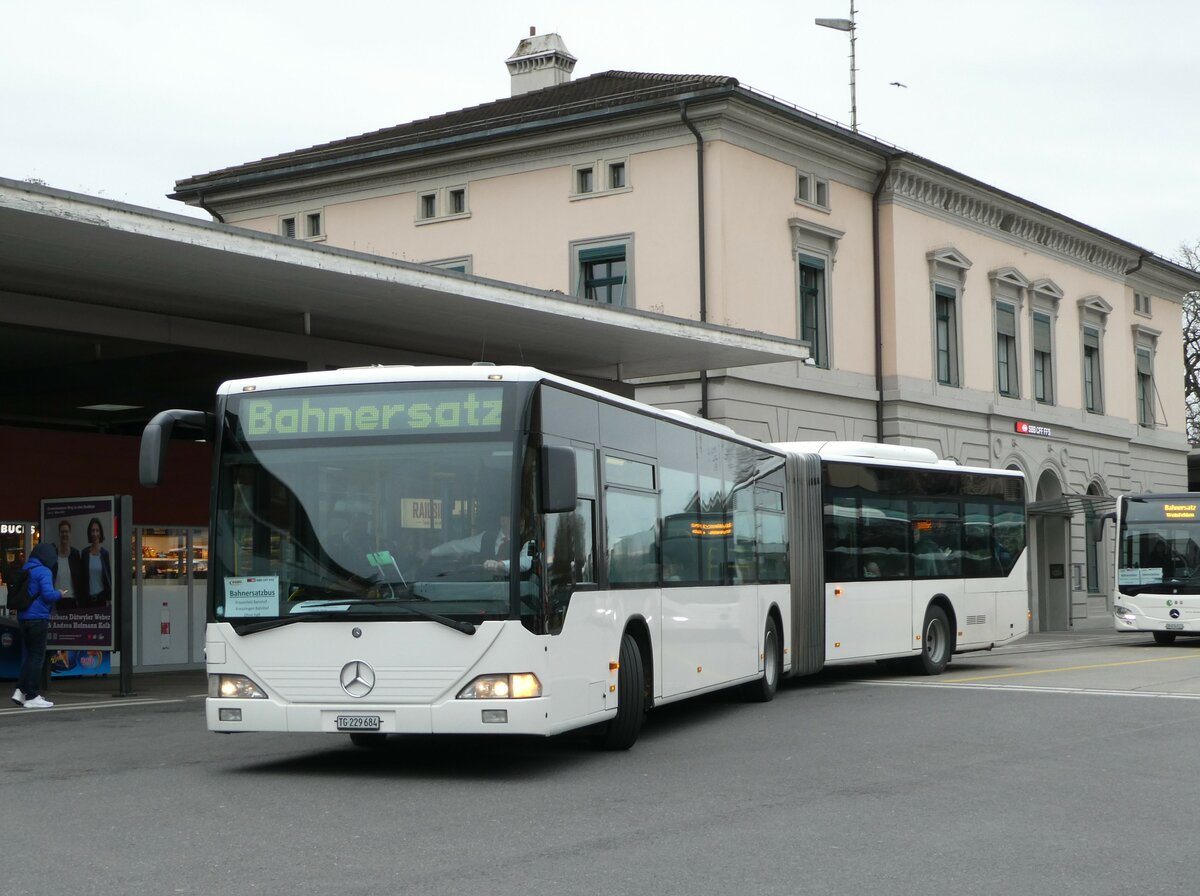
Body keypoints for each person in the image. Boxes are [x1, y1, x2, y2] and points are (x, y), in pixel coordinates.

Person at [13, 542, 67, 709]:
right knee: (37, 657)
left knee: (29, 656)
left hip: (23, 618)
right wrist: (60, 593)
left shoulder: (26, 569)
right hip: (38, 618)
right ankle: (32, 695)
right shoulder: (44, 571)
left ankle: (20, 691)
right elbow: (48, 595)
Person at [430, 511, 532, 575]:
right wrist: (431, 552)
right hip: (486, 592)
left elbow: (525, 562)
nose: (522, 522)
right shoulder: (486, 538)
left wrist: (500, 565)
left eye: (523, 519)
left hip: (517, 596)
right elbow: (457, 546)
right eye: (518, 518)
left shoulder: (528, 540)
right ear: (503, 520)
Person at [80, 517, 112, 608]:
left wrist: (109, 598)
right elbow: (82, 578)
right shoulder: (85, 553)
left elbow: (108, 577)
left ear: (100, 533)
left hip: (101, 600)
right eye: (92, 531)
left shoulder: (105, 554)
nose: (95, 533)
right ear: (89, 533)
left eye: (97, 531)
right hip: (87, 601)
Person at [54, 519, 83, 603]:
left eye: (66, 532)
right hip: (56, 599)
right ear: (59, 534)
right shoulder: (53, 554)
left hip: (72, 600)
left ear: (70, 534)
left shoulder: (75, 554)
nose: (64, 534)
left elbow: (79, 579)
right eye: (62, 532)